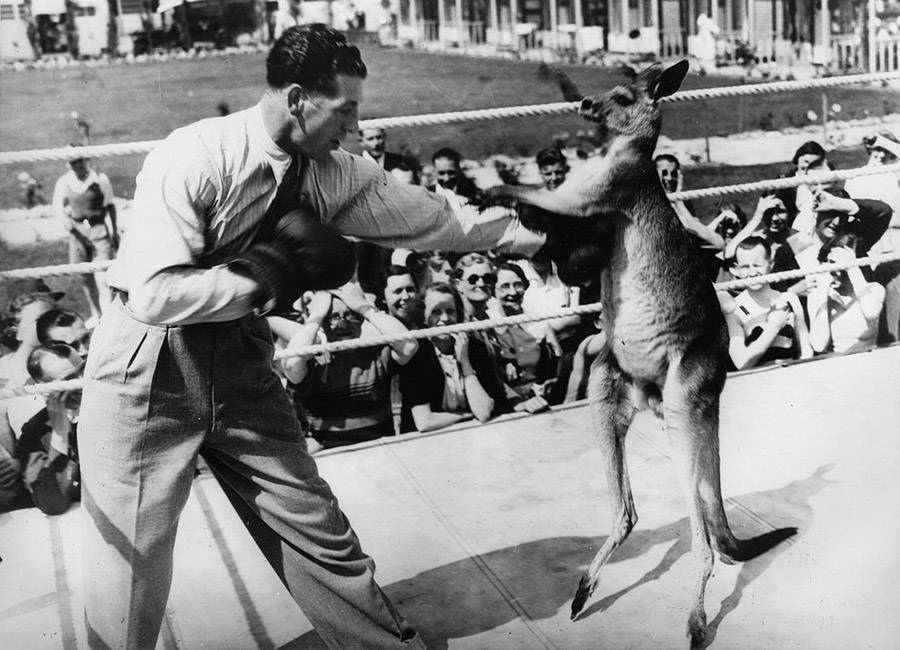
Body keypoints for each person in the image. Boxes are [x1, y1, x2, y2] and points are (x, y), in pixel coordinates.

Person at [78, 24, 544, 650]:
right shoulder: (196, 155)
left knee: (313, 525)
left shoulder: (329, 173)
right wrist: (268, 273)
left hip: (241, 358)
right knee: (131, 564)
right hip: (146, 366)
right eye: (346, 107)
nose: (355, 122)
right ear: (298, 98)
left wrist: (542, 234)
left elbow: (434, 218)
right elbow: (156, 293)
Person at [273, 282, 417, 448]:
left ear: (361, 320)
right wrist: (316, 317)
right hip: (332, 454)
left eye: (351, 315)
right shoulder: (315, 361)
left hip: (381, 448)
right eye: (333, 317)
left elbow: (409, 346)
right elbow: (292, 365)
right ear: (323, 324)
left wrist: (367, 309)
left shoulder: (376, 354)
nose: (343, 324)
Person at [397, 283, 507, 432]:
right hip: (426, 441)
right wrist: (465, 416)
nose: (445, 318)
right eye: (436, 312)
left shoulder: (475, 347)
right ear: (423, 316)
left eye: (450, 311)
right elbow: (424, 422)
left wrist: (465, 362)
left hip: (472, 433)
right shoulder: (417, 354)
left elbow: (483, 412)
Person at [4, 343, 83, 515]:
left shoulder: (113, 401)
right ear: (45, 390)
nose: (82, 381)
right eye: (69, 379)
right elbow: (52, 502)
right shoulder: (34, 432)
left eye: (83, 369)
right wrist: (60, 433)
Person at [51, 148, 118, 326]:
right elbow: (57, 206)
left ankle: (108, 317)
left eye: (80, 161)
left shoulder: (99, 179)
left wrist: (114, 231)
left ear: (85, 159)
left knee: (102, 277)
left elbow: (110, 205)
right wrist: (65, 221)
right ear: (68, 164)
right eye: (73, 162)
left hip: (98, 229)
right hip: (78, 233)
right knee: (85, 277)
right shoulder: (64, 182)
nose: (78, 165)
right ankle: (95, 314)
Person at [723, 237, 812, 370]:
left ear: (770, 264)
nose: (752, 273)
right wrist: (774, 326)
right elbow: (741, 363)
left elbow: (805, 350)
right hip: (758, 383)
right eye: (745, 267)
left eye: (758, 265)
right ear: (737, 270)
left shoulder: (789, 299)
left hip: (792, 379)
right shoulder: (734, 310)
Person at [808, 232, 886, 354]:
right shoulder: (817, 296)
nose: (833, 270)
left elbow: (871, 314)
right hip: (838, 364)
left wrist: (851, 266)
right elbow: (818, 345)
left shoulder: (874, 289)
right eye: (829, 262)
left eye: (838, 264)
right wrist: (822, 291)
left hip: (869, 361)